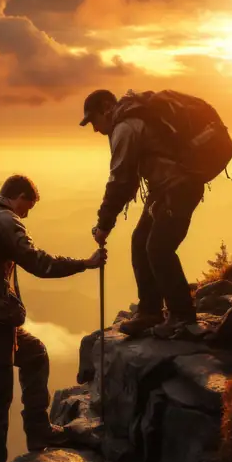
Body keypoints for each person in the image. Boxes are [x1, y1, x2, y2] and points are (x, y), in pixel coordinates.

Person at [0, 174, 105, 462]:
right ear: (18, 196)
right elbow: (39, 263)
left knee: (35, 354)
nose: (27, 215)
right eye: (28, 206)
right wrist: (84, 264)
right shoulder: (3, 221)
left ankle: (39, 431)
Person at [80, 88, 203, 339]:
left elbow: (120, 181)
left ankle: (183, 318)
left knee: (159, 248)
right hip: (167, 188)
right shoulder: (134, 120)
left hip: (177, 188)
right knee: (140, 242)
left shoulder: (125, 127)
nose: (94, 128)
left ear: (106, 107)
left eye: (93, 120)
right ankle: (150, 311)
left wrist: (104, 224)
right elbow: (130, 180)